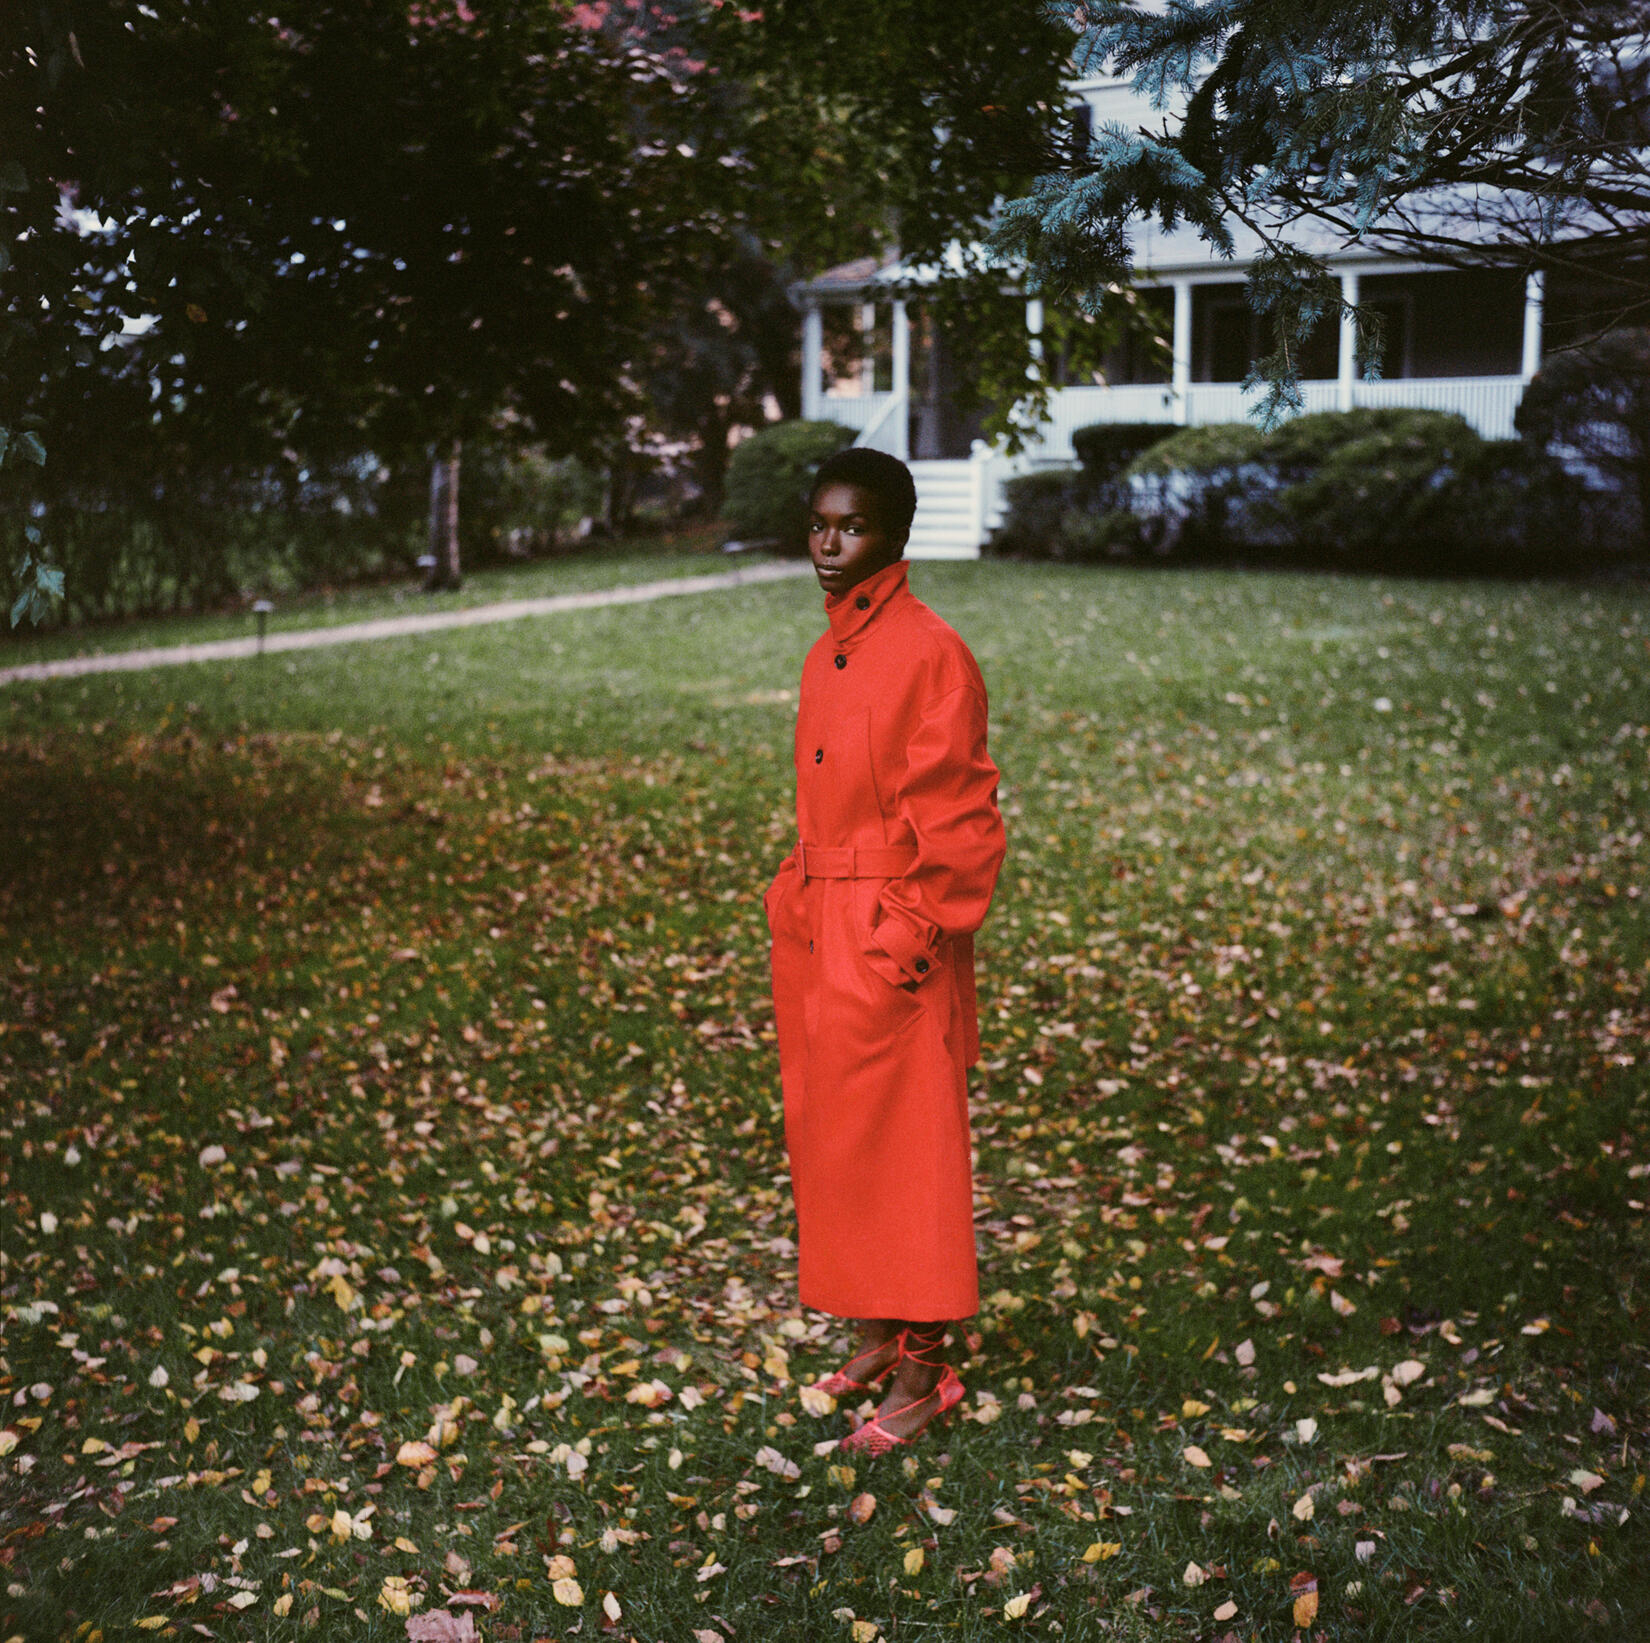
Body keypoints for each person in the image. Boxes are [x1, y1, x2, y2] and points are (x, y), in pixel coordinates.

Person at [763, 447, 1006, 1454]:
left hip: (891, 935)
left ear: (895, 535)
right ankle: (875, 1331)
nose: (828, 544)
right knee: (839, 1143)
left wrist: (903, 938)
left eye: (851, 526)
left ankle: (925, 1369)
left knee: (909, 1158)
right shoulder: (829, 652)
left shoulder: (930, 652)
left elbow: (964, 821)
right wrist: (795, 895)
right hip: (823, 928)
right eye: (819, 523)